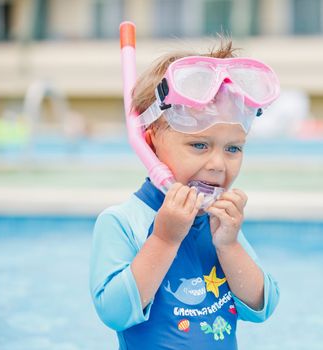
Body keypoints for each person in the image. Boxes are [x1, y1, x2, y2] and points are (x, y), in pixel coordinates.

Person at [89, 40, 280, 349]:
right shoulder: (122, 222)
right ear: (150, 145)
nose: (218, 164)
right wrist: (164, 240)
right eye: (199, 145)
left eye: (233, 148)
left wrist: (229, 245)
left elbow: (262, 306)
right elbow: (115, 313)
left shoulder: (220, 224)